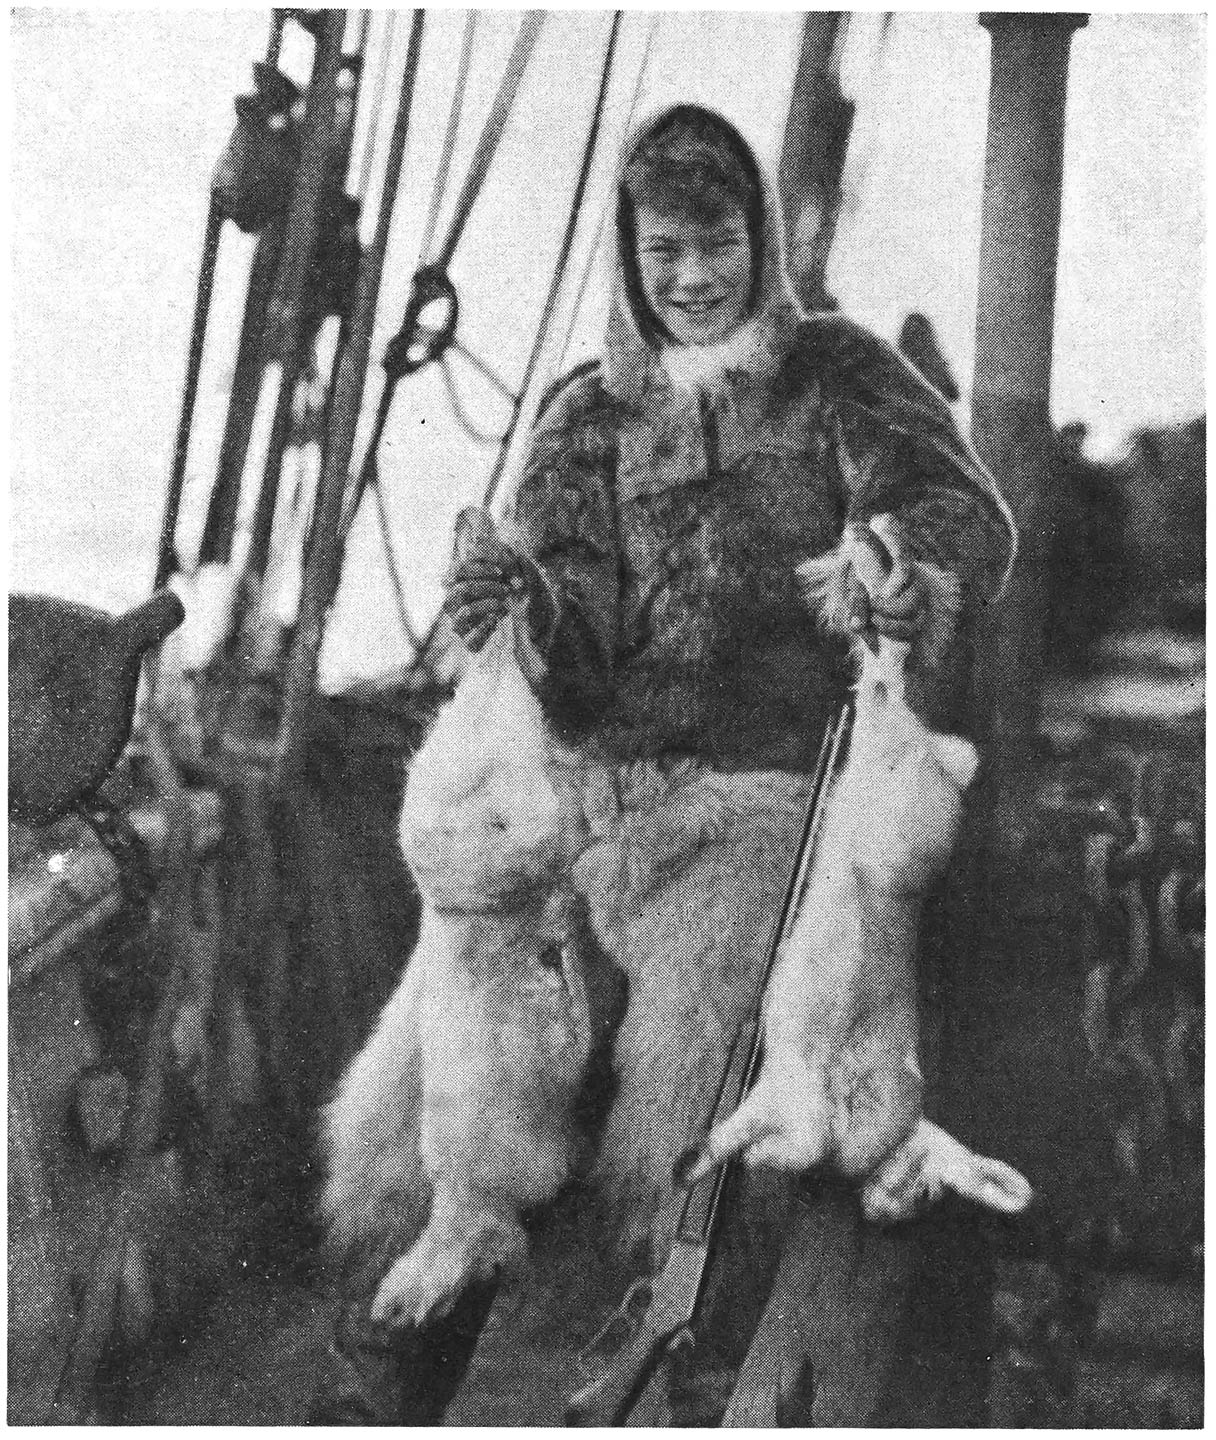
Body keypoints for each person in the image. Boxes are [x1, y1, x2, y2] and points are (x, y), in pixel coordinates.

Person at [316, 103, 1015, 1424]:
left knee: (698, 1132)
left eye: (716, 243)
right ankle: (374, 1401)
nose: (691, 278)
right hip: (579, 808)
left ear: (758, 237)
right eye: (663, 251)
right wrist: (506, 606)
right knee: (429, 1108)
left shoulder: (841, 379)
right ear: (629, 260)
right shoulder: (589, 416)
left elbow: (964, 518)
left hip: (756, 812)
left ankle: (696, 1386)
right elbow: (565, 646)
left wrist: (893, 572)